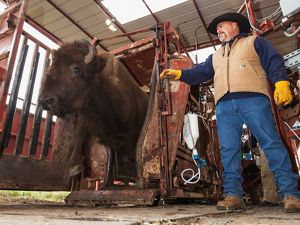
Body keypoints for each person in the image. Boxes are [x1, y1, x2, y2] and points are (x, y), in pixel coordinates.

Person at [160, 12, 300, 212]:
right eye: (217, 29)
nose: (218, 31)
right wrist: (181, 74)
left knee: (271, 143)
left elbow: (274, 61)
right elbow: (200, 73)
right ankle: (233, 195)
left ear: (235, 25)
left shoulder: (254, 42)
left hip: (254, 99)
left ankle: (291, 194)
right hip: (224, 105)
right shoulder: (216, 55)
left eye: (221, 26)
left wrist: (281, 83)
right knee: (228, 151)